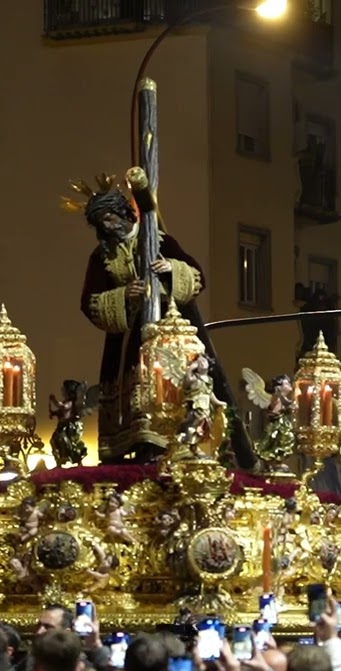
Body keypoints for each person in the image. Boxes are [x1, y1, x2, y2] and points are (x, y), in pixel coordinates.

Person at [77, 184, 254, 467]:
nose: (108, 226)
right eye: (101, 223)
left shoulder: (160, 240)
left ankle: (179, 441)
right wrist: (123, 295)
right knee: (134, 390)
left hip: (167, 329)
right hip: (128, 338)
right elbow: (89, 301)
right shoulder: (101, 257)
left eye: (110, 218)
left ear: (124, 213)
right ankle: (133, 445)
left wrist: (171, 268)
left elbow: (197, 276)